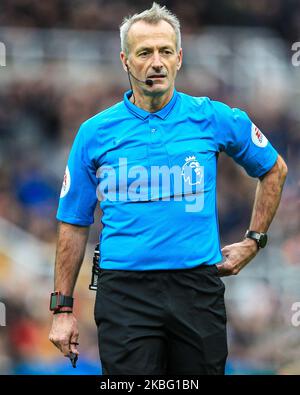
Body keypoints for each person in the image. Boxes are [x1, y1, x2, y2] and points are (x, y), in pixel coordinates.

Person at [49, 2, 288, 375]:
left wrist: (254, 241)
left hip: (197, 288)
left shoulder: (213, 117)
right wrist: (62, 309)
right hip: (124, 292)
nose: (155, 62)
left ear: (179, 57)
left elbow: (274, 169)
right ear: (126, 60)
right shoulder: (94, 133)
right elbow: (73, 222)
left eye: (164, 51)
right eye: (144, 52)